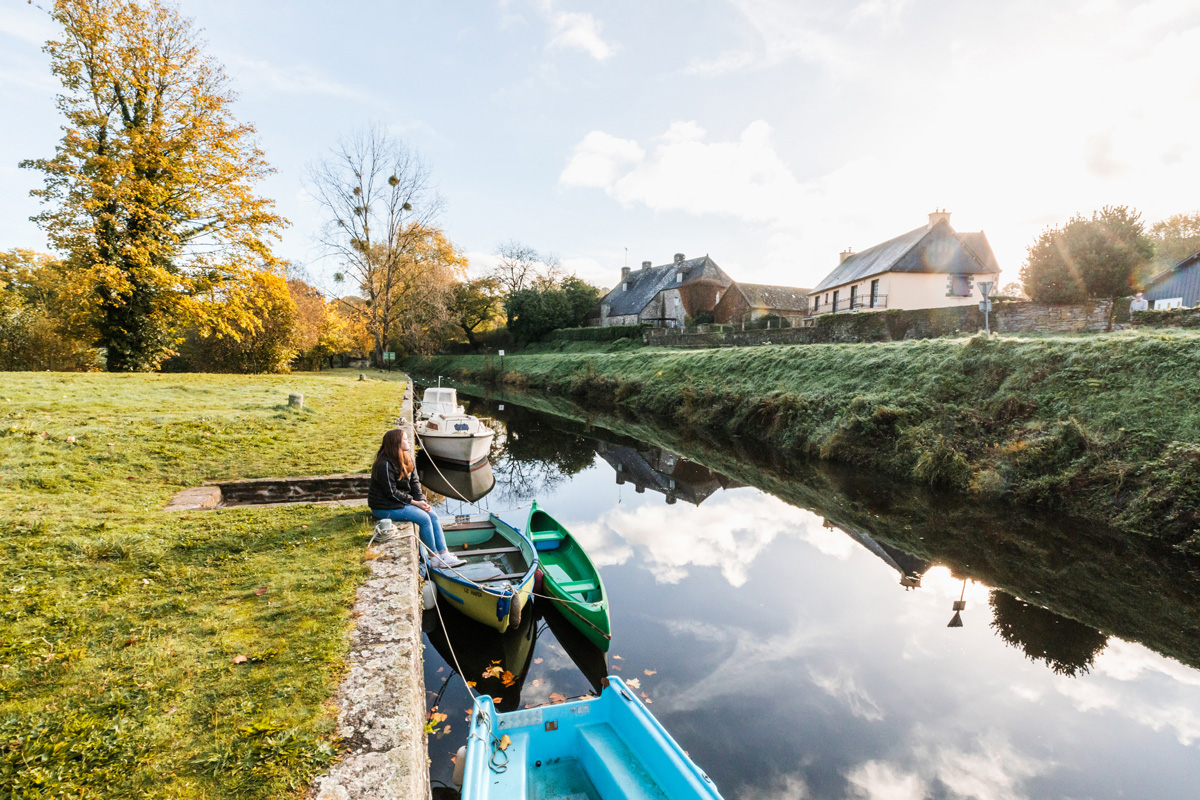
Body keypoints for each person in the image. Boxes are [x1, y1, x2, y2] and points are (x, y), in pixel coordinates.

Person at [368, 428, 465, 569]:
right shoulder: (385, 464)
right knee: (423, 518)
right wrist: (414, 503)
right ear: (396, 443)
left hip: (399, 503)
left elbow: (415, 485)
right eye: (405, 439)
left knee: (432, 515)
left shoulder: (407, 459)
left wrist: (423, 502)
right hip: (384, 507)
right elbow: (391, 493)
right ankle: (434, 558)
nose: (408, 441)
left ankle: (444, 554)